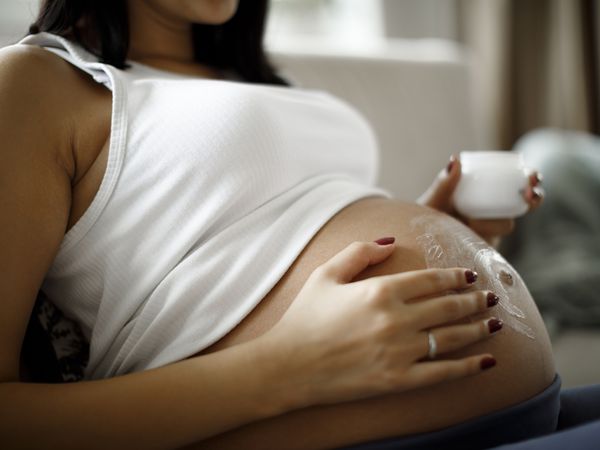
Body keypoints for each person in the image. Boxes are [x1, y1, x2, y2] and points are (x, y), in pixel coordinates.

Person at [1, 1, 598, 449]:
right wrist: (285, 369)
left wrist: (444, 228)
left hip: (510, 409)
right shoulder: (34, 83)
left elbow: (263, 243)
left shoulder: (248, 79)